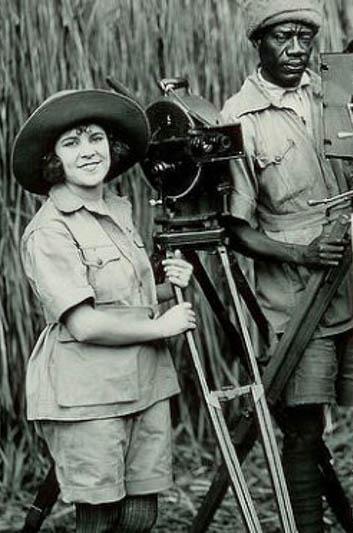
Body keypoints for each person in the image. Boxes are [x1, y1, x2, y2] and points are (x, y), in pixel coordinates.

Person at [221, 1, 353, 530]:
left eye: (303, 36)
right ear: (258, 43)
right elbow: (236, 230)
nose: (296, 49)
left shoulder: (333, 92)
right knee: (301, 428)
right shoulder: (238, 119)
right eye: (281, 38)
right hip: (295, 301)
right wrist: (300, 254)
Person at [12, 89, 197, 532]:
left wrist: (168, 287)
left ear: (111, 147)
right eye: (71, 143)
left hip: (143, 384)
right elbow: (85, 323)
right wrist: (163, 329)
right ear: (54, 160)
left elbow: (125, 299)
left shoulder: (117, 210)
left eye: (95, 138)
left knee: (141, 514)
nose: (88, 151)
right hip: (89, 397)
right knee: (99, 517)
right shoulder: (49, 231)